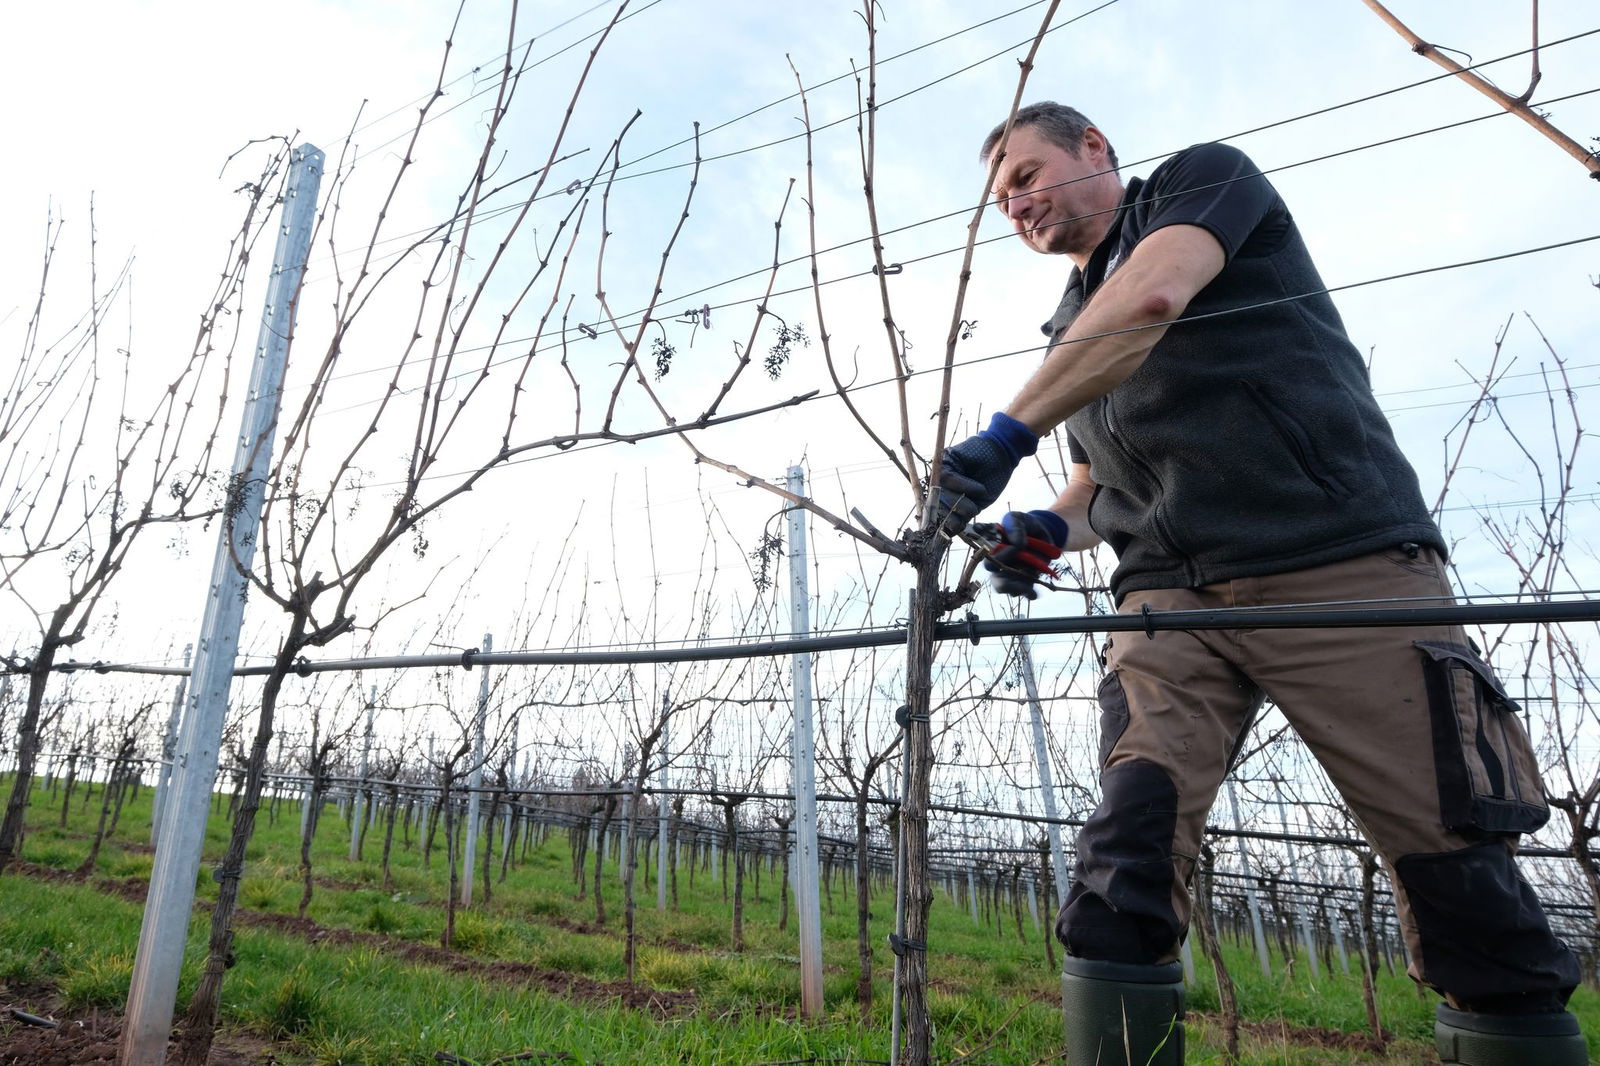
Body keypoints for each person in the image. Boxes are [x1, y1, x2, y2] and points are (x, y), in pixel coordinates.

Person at [935, 102, 1585, 1066]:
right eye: (1002, 200)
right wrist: (1043, 528)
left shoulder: (1202, 186)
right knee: (1122, 874)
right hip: (1167, 602)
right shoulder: (1071, 325)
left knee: (1465, 892)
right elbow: (1095, 486)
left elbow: (1153, 299)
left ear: (1095, 148)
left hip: (1335, 566)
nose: (1016, 207)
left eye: (1027, 178)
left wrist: (1007, 429)